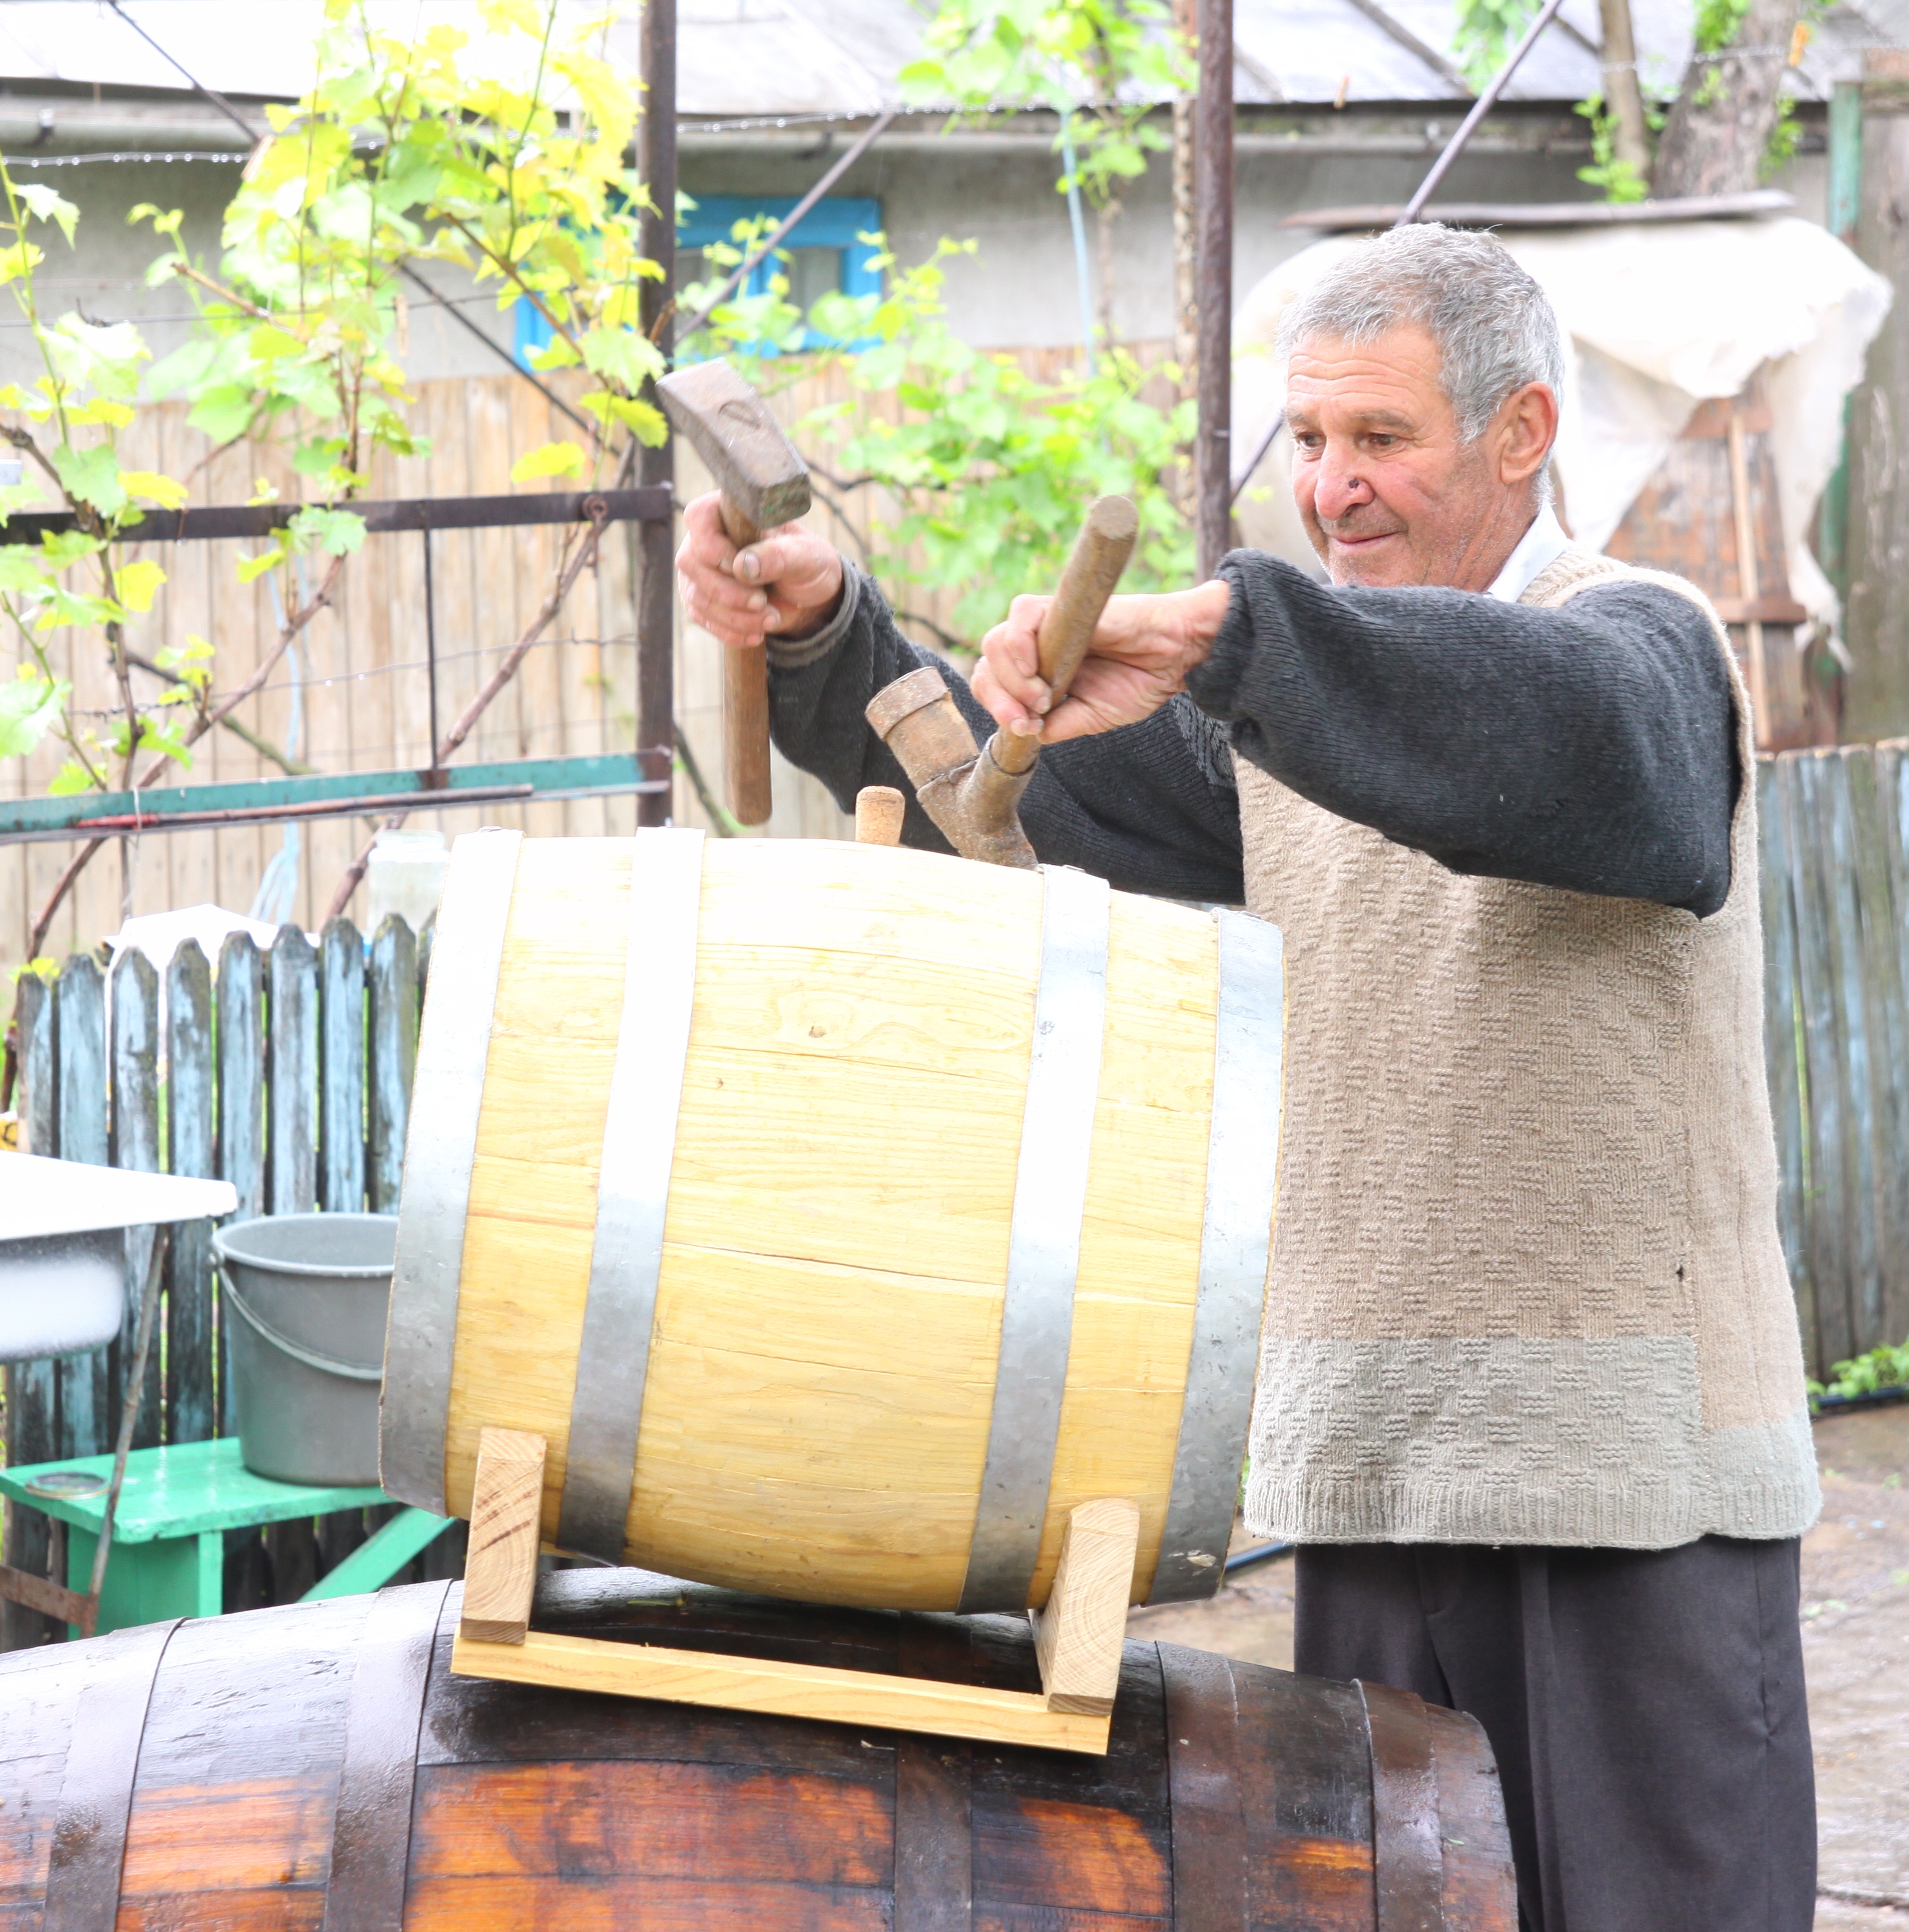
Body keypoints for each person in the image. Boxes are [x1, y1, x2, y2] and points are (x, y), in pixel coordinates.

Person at [675, 223, 1821, 1932]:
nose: (1334, 488)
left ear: (1523, 434)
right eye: (1309, 442)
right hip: (1372, 1466)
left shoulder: (1641, 652)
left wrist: (1239, 635)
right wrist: (835, 637)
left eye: (1382, 439)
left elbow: (1566, 749)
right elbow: (1015, 808)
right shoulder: (1287, 717)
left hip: (1625, 1487)